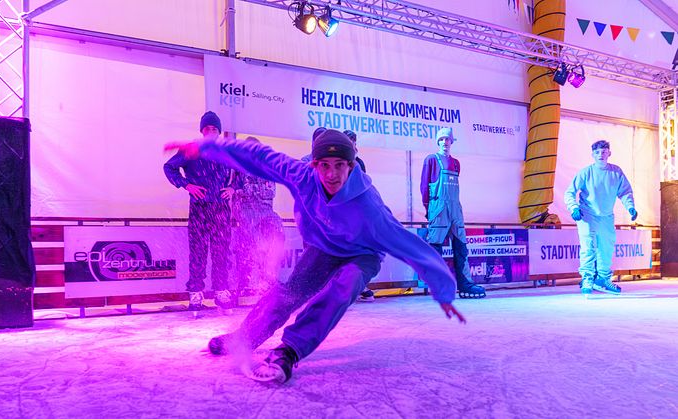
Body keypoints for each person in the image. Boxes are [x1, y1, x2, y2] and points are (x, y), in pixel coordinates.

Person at [164, 129, 465, 385]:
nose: (331, 174)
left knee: (343, 287)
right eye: (324, 165)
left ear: (351, 165)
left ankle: (290, 350)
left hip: (361, 253)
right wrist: (206, 147)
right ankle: (242, 338)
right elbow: (259, 157)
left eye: (339, 166)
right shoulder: (303, 175)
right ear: (314, 164)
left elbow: (408, 245)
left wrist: (443, 287)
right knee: (288, 293)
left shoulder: (368, 208)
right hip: (323, 246)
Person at [163, 111, 235, 316]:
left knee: (221, 252)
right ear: (202, 131)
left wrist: (233, 188)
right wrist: (186, 185)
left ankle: (221, 292)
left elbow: (241, 171)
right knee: (198, 252)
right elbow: (169, 167)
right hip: (200, 208)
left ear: (219, 132)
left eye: (214, 129)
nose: (211, 132)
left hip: (221, 209)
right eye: (207, 129)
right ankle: (196, 293)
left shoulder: (227, 152)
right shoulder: (191, 150)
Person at [420, 127, 486, 299]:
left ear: (452, 142)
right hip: (438, 207)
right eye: (441, 139)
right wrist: (429, 209)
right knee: (435, 248)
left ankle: (465, 284)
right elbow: (423, 187)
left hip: (456, 209)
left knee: (461, 246)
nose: (444, 142)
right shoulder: (431, 160)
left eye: (447, 139)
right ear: (437, 141)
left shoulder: (456, 163)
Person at [564, 140, 637, 295]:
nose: (601, 154)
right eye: (597, 152)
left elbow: (625, 192)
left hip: (606, 217)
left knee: (606, 249)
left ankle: (602, 279)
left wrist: (630, 207)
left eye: (604, 151)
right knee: (588, 247)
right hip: (586, 215)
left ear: (609, 153)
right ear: (592, 155)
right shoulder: (585, 173)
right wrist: (574, 207)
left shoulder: (616, 172)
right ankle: (587, 278)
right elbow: (570, 192)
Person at [230, 137, 285, 298]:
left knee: (278, 232)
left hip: (266, 211)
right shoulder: (240, 167)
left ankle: (268, 279)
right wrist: (252, 190)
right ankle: (244, 284)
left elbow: (270, 192)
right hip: (246, 211)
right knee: (250, 243)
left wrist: (248, 190)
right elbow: (238, 190)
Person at [343, 129, 373, 302]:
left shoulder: (359, 162)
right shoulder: (337, 162)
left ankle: (360, 285)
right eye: (348, 141)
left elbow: (364, 187)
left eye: (353, 142)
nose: (351, 145)